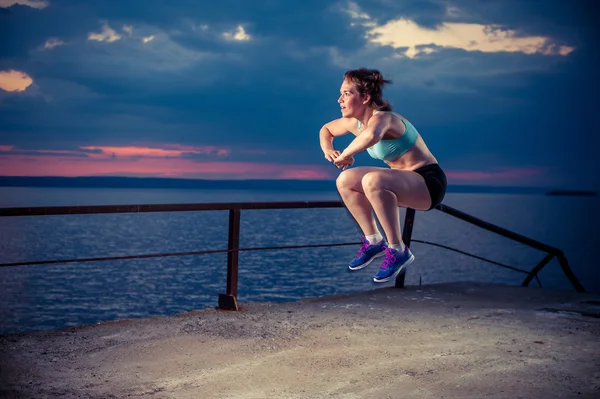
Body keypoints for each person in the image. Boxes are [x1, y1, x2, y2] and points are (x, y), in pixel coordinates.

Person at [319, 67, 447, 283]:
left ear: (365, 97)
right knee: (345, 180)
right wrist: (328, 151)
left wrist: (347, 154)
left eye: (347, 94)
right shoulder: (354, 123)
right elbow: (326, 130)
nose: (339, 99)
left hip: (428, 183)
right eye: (341, 93)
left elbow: (371, 136)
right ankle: (374, 241)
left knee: (372, 180)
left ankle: (398, 250)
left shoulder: (385, 119)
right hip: (400, 180)